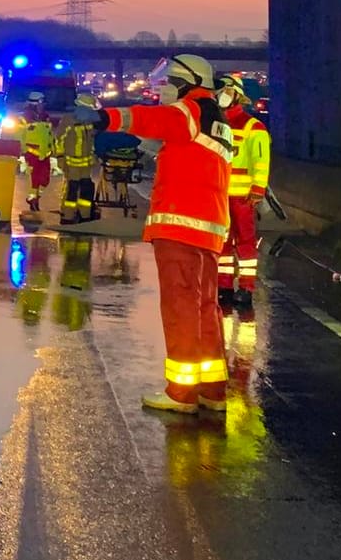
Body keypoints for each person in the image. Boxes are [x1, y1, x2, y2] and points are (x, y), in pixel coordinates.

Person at [89, 54, 235, 414]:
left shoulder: (191, 109)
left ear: (188, 82)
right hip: (209, 227)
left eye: (171, 81)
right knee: (204, 308)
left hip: (181, 225)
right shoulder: (218, 120)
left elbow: (154, 119)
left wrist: (107, 117)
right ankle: (212, 390)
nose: (165, 87)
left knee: (180, 307)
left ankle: (181, 394)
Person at [216, 76, 270, 307]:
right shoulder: (217, 126)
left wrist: (258, 189)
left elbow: (261, 161)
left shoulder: (253, 127)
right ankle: (224, 286)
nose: (222, 95)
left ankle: (246, 288)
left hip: (243, 197)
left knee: (245, 242)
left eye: (227, 90)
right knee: (223, 244)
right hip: (219, 195)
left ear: (237, 94)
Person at [54, 92, 98, 224]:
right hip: (71, 162)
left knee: (86, 189)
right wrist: (60, 157)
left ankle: (85, 215)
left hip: (85, 164)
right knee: (72, 190)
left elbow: (91, 141)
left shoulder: (88, 121)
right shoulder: (68, 120)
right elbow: (59, 140)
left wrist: (93, 156)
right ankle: (68, 216)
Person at [19, 91, 55, 214]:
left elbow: (49, 134)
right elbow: (19, 135)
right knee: (35, 179)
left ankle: (35, 198)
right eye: (41, 102)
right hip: (32, 153)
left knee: (45, 180)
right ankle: (33, 201)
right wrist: (22, 151)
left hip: (45, 153)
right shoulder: (25, 117)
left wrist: (53, 149)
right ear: (35, 103)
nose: (43, 104)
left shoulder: (45, 116)